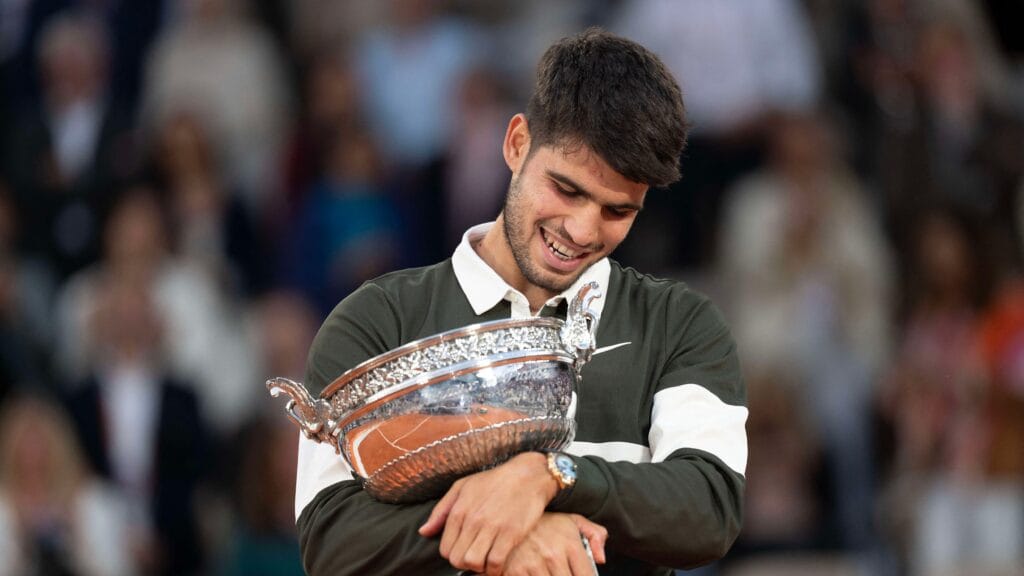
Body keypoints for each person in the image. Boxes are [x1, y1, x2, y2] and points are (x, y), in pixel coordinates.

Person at [293, 28, 748, 575]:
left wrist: (550, 476)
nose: (581, 230)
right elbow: (331, 539)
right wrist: (515, 532)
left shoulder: (679, 324)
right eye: (568, 189)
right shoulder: (376, 320)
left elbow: (709, 508)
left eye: (617, 211)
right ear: (516, 144)